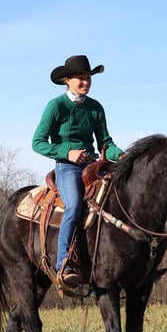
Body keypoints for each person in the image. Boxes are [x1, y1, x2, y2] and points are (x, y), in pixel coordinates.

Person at [32, 55, 124, 288]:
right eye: (80, 79)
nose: (85, 82)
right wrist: (67, 152)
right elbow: (38, 142)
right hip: (67, 167)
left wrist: (121, 155)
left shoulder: (95, 108)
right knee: (74, 205)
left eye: (88, 78)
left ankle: (103, 264)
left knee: (116, 204)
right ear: (67, 81)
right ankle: (64, 262)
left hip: (93, 166)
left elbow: (105, 142)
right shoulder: (56, 106)